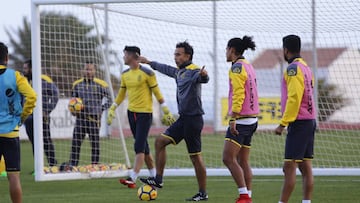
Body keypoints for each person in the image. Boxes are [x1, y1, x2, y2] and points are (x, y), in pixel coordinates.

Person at [138, 41, 210, 201]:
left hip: (193, 120)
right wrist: (148, 62)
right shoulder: (179, 72)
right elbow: (165, 68)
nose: (175, 57)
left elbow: (202, 78)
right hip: (183, 119)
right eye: (175, 54)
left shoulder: (194, 70)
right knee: (160, 142)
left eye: (178, 54)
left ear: (187, 56)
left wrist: (204, 76)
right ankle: (158, 179)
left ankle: (203, 193)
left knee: (195, 157)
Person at [107, 46, 175, 188]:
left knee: (139, 146)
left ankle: (132, 178)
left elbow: (157, 92)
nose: (124, 57)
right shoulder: (125, 74)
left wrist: (166, 110)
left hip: (145, 114)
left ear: (133, 56)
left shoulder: (147, 73)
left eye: (125, 54)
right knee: (144, 147)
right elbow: (121, 94)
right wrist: (112, 108)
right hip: (131, 114)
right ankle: (155, 177)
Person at [275, 35, 316, 203]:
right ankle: (306, 201)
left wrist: (283, 123)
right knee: (305, 167)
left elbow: (294, 98)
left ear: (285, 50)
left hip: (299, 123)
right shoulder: (306, 67)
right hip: (309, 121)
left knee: (289, 167)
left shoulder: (293, 69)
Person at [0, 42, 37, 203]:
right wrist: (22, 116)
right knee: (13, 176)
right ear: (7, 58)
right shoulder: (15, 76)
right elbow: (32, 97)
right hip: (10, 131)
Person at [224, 36, 259, 203]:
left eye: (226, 49)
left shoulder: (237, 68)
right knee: (243, 160)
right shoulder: (248, 65)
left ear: (231, 50)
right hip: (252, 120)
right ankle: (248, 196)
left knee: (228, 158)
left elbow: (239, 93)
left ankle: (244, 196)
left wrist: (233, 117)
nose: (225, 52)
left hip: (242, 120)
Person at [67, 62, 112, 167]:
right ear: (83, 70)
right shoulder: (77, 84)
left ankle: (94, 165)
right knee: (76, 143)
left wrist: (101, 108)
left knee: (95, 144)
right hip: (80, 119)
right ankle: (73, 165)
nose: (88, 71)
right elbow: (73, 101)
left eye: (90, 69)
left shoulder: (101, 84)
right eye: (86, 69)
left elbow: (110, 99)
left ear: (94, 71)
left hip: (94, 119)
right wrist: (73, 111)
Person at [23, 59, 59, 167]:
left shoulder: (44, 80)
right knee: (34, 142)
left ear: (31, 69)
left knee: (46, 140)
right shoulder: (23, 81)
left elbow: (55, 95)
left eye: (25, 68)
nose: (24, 70)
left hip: (42, 117)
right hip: (28, 117)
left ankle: (53, 165)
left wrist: (47, 110)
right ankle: (38, 167)